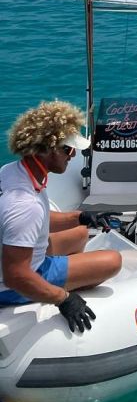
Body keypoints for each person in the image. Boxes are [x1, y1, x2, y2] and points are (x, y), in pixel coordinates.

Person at [0, 101, 122, 332]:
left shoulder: (12, 172)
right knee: (112, 261)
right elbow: (15, 275)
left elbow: (33, 223)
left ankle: (68, 274)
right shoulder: (25, 205)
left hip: (14, 255)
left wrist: (81, 217)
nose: (72, 155)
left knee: (80, 233)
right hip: (9, 284)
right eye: (67, 149)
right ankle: (52, 287)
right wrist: (63, 299)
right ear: (46, 149)